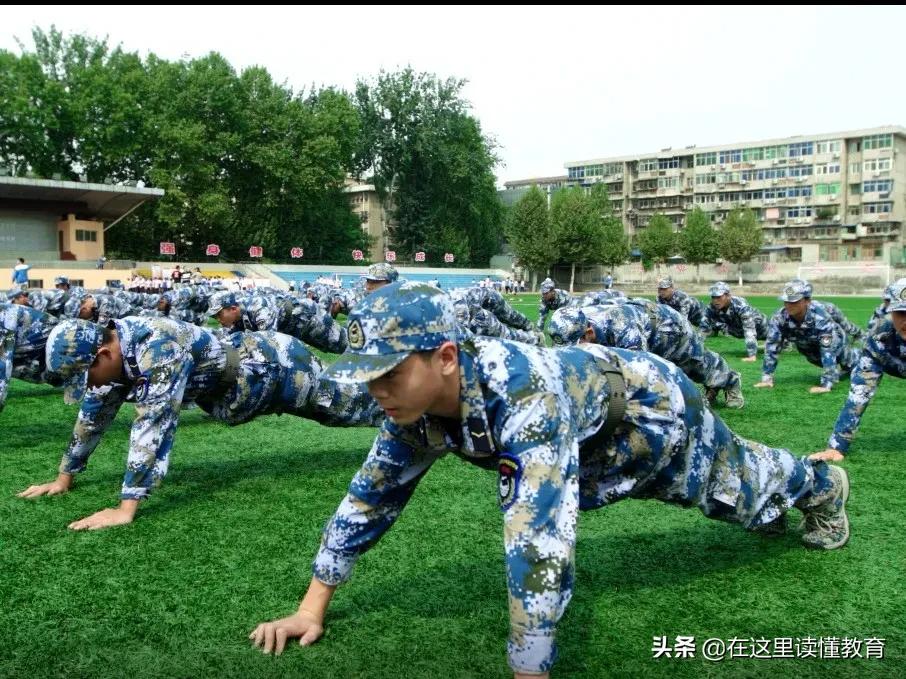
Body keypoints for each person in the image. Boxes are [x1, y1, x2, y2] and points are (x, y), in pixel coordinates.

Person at [249, 282, 850, 677]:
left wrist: (528, 670)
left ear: (446, 358)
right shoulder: (410, 409)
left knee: (733, 490)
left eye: (389, 374)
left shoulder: (523, 396)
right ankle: (775, 500)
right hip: (586, 439)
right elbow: (370, 497)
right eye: (368, 375)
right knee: (735, 501)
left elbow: (537, 543)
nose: (376, 390)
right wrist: (310, 609)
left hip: (648, 410)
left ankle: (823, 488)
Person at [18, 316, 383, 529]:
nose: (88, 386)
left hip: (275, 368)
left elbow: (153, 424)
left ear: (102, 354)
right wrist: (64, 477)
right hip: (239, 388)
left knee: (352, 407)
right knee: (348, 406)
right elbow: (93, 414)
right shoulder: (115, 353)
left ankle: (409, 406)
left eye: (85, 377)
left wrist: (126, 507)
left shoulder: (156, 347)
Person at [549, 300, 744, 408]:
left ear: (589, 333)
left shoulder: (624, 329)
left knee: (695, 364)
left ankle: (731, 381)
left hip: (667, 328)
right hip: (641, 325)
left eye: (577, 345)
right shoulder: (570, 325)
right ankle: (713, 387)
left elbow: (638, 376)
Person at [810, 278, 906, 461]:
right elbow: (860, 391)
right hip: (892, 363)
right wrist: (836, 446)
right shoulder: (880, 336)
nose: (905, 321)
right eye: (900, 312)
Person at [753, 280, 859, 394]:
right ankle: (843, 368)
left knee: (851, 363)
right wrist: (766, 379)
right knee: (817, 360)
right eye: (786, 301)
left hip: (837, 343)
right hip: (809, 347)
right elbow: (772, 347)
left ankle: (858, 356)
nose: (789, 305)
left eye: (794, 302)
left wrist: (826, 384)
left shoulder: (820, 318)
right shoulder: (779, 318)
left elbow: (828, 350)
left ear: (807, 301)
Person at [0, 302, 60, 412]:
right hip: (27, 344)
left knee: (59, 377)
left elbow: (3, 363)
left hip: (51, 341)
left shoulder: (3, 318)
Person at [700, 282, 767, 361]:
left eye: (719, 297)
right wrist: (697, 350)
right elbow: (703, 329)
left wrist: (752, 355)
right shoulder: (711, 307)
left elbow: (749, 329)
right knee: (714, 323)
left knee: (775, 339)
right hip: (738, 329)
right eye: (713, 297)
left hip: (761, 327)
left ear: (728, 296)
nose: (715, 301)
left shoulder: (740, 305)